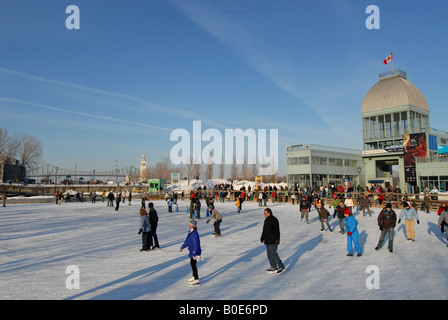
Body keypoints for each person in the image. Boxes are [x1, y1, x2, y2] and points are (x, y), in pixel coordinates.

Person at [260, 208, 285, 273]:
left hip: (273, 240)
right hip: (267, 240)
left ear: (269, 213)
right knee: (269, 254)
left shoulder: (274, 220)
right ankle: (273, 266)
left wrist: (277, 239)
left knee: (273, 253)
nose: (264, 214)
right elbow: (264, 230)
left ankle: (281, 266)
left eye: (265, 213)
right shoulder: (266, 220)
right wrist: (262, 237)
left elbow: (277, 230)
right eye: (264, 213)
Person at [180, 220, 202, 286]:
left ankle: (196, 279)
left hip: (195, 252)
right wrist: (182, 247)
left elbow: (196, 245)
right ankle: (194, 276)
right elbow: (187, 241)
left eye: (190, 224)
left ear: (193, 226)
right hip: (192, 251)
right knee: (192, 264)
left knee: (193, 264)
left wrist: (195, 253)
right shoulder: (190, 232)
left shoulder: (194, 234)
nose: (189, 225)